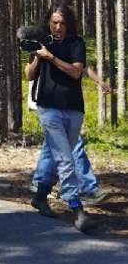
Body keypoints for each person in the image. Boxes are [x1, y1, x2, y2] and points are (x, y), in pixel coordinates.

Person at [25, 2, 94, 232]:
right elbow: (28, 75)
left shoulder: (76, 43)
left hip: (74, 108)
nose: (58, 27)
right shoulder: (42, 42)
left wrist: (51, 57)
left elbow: (76, 72)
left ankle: (41, 195)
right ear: (48, 22)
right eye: (54, 22)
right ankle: (76, 207)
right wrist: (37, 56)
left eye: (62, 23)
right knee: (65, 158)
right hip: (48, 108)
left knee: (52, 154)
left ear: (69, 24)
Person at [29, 66, 110, 205]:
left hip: (66, 105)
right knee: (73, 145)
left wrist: (100, 81)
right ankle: (89, 188)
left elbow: (82, 66)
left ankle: (39, 181)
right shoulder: (45, 48)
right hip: (47, 102)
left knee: (51, 145)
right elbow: (30, 72)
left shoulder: (71, 46)